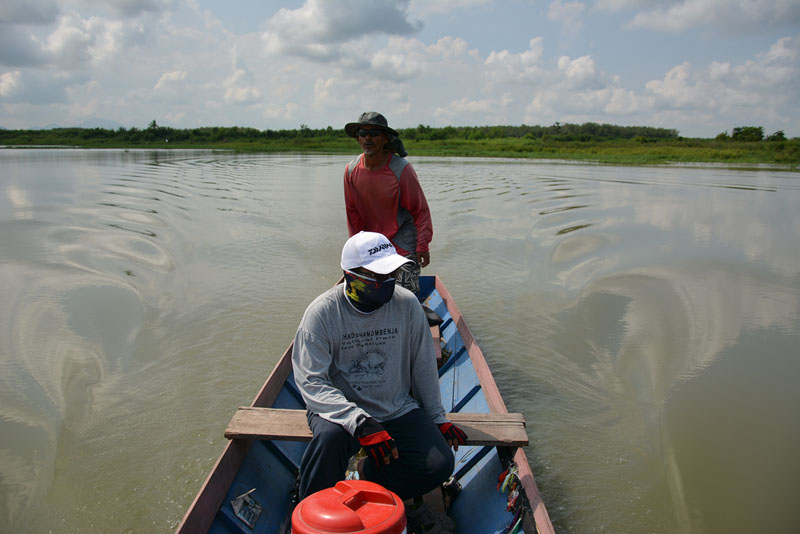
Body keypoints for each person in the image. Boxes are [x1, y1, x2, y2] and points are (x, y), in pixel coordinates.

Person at [292, 231, 466, 532]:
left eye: (393, 273)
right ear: (350, 276)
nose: (389, 281)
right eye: (379, 275)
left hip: (395, 405)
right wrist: (358, 421)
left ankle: (367, 481)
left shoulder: (407, 305)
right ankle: (310, 511)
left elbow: (423, 367)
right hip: (340, 411)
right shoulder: (321, 315)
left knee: (439, 465)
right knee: (329, 441)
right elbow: (311, 383)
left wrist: (438, 418)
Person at [343, 112, 433, 296]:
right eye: (362, 133)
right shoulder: (351, 171)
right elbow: (353, 215)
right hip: (374, 240)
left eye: (374, 133)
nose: (368, 138)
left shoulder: (402, 170)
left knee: (405, 294)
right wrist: (356, 252)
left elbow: (420, 211)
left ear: (385, 138)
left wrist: (422, 245)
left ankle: (415, 311)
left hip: (402, 238)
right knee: (367, 293)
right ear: (358, 138)